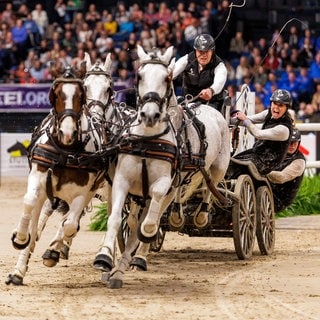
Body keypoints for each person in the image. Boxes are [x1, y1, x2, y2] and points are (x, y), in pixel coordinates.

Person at [228, 89, 294, 176]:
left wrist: (245, 119)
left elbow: (258, 134)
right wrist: (228, 120)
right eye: (274, 103)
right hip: (257, 153)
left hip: (267, 162)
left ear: (287, 108)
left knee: (233, 167)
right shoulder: (268, 113)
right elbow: (249, 119)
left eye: (280, 105)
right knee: (229, 161)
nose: (276, 107)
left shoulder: (284, 129)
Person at [173, 33, 228, 112]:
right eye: (200, 51)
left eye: (207, 51)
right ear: (195, 51)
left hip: (212, 105)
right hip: (188, 104)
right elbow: (172, 72)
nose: (203, 55)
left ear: (212, 51)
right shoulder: (186, 60)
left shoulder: (219, 65)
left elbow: (219, 82)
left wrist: (211, 90)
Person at [267, 128, 306, 213]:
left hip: (279, 200)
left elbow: (281, 178)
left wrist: (262, 172)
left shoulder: (299, 162)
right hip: (267, 190)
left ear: (298, 143)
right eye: (289, 142)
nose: (292, 146)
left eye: (294, 143)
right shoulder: (277, 152)